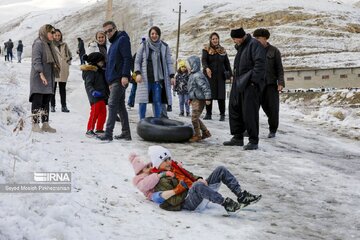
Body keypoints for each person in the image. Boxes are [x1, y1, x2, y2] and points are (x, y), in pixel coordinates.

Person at [148, 145, 262, 212]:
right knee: (197, 186)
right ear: (158, 164)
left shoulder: (174, 167)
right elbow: (173, 201)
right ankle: (227, 205)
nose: (169, 162)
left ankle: (241, 196)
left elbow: (191, 175)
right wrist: (184, 187)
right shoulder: (161, 179)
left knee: (220, 169)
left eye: (169, 158)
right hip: (188, 202)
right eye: (165, 160)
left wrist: (198, 179)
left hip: (198, 191)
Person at [223, 28, 266, 150]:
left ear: (239, 37)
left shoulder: (254, 45)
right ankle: (238, 137)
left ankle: (253, 140)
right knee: (235, 109)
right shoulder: (242, 47)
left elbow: (260, 64)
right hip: (239, 83)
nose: (234, 42)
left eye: (234, 39)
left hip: (250, 85)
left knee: (249, 112)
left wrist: (253, 81)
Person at [97, 21, 132, 141]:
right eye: (106, 32)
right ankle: (126, 133)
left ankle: (108, 134)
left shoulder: (122, 39)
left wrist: (125, 75)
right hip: (113, 79)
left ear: (115, 28)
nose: (108, 33)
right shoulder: (113, 43)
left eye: (110, 30)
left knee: (112, 105)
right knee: (120, 107)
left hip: (120, 78)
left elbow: (128, 58)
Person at [134, 26, 175, 120]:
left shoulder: (164, 47)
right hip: (145, 79)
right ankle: (142, 121)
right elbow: (137, 61)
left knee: (157, 101)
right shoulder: (143, 45)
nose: (154, 35)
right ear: (149, 34)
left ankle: (157, 122)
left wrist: (172, 75)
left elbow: (169, 62)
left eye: (156, 34)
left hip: (158, 80)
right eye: (152, 33)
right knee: (143, 101)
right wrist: (138, 73)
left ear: (159, 35)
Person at [253, 28, 284, 138]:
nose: (256, 40)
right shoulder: (254, 50)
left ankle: (273, 129)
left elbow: (279, 68)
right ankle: (251, 130)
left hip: (270, 85)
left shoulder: (274, 51)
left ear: (265, 38)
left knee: (272, 109)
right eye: (255, 38)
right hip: (256, 85)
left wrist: (280, 83)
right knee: (253, 109)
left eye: (258, 38)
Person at [29, 24, 60, 133]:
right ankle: (35, 124)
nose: (53, 34)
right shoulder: (38, 43)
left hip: (49, 76)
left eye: (54, 32)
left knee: (46, 100)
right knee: (37, 100)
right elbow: (36, 60)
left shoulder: (49, 44)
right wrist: (41, 74)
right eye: (51, 32)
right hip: (39, 76)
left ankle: (45, 124)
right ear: (44, 32)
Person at [202, 32, 232, 121]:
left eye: (216, 38)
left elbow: (227, 63)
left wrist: (230, 74)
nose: (215, 40)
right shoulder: (206, 49)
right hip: (209, 75)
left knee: (221, 96)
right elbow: (204, 60)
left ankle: (222, 114)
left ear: (218, 39)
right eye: (213, 39)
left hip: (220, 76)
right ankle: (208, 113)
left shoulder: (222, 50)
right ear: (210, 40)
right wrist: (206, 68)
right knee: (209, 95)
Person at [81, 52, 109, 137]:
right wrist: (93, 91)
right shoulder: (90, 71)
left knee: (103, 112)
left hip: (102, 95)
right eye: (101, 61)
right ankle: (89, 129)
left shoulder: (99, 70)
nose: (103, 63)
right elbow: (88, 84)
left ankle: (99, 129)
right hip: (94, 96)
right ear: (95, 61)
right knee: (94, 113)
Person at [186, 56, 212, 142]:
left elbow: (205, 87)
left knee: (194, 118)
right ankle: (205, 132)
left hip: (199, 99)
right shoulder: (192, 75)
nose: (187, 67)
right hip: (195, 99)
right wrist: (190, 98)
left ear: (193, 65)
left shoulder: (198, 76)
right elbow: (192, 88)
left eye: (189, 65)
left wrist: (208, 98)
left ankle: (197, 135)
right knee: (195, 117)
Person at [50, 29, 72, 113]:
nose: (57, 37)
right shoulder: (50, 45)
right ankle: (52, 106)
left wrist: (67, 62)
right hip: (54, 68)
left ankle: (64, 106)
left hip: (63, 69)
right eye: (56, 35)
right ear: (53, 36)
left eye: (59, 35)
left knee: (63, 89)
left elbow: (69, 54)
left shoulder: (64, 44)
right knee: (53, 89)